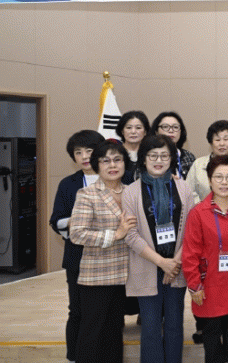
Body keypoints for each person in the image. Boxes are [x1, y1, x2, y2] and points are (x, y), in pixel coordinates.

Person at [122, 135, 196, 363]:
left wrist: (174, 262)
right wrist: (162, 262)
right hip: (147, 265)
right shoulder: (131, 191)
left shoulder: (183, 188)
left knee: (174, 325)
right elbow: (130, 235)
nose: (158, 160)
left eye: (164, 155)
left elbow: (192, 230)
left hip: (176, 267)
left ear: (171, 159)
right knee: (151, 327)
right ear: (143, 159)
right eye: (152, 155)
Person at [69, 140, 137, 363]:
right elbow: (77, 234)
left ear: (125, 163)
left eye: (117, 159)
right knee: (92, 332)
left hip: (124, 275)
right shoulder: (87, 194)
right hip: (97, 276)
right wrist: (116, 234)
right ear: (97, 165)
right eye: (105, 160)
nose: (112, 165)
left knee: (114, 332)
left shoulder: (132, 192)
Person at [182, 155, 228, 363]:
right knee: (211, 331)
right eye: (218, 177)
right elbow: (190, 253)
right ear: (210, 180)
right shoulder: (198, 213)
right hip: (209, 283)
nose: (224, 182)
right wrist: (194, 285)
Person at [49, 130, 105, 363]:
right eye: (78, 152)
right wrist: (77, 220)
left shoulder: (114, 178)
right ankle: (74, 357)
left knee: (106, 312)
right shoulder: (68, 184)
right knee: (77, 311)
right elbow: (56, 221)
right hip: (78, 257)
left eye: (89, 151)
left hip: (109, 257)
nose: (84, 157)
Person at [188, 120, 228, 202]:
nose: (222, 143)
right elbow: (188, 192)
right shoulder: (198, 164)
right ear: (211, 143)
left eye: (226, 139)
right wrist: (202, 206)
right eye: (217, 140)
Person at [150, 111, 196, 179]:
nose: (171, 130)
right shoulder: (149, 155)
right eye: (165, 127)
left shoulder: (189, 157)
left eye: (175, 127)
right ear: (156, 131)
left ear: (181, 131)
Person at [116, 110, 150, 184]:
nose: (133, 131)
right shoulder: (115, 152)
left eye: (138, 128)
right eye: (129, 128)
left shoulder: (151, 153)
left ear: (145, 132)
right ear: (122, 131)